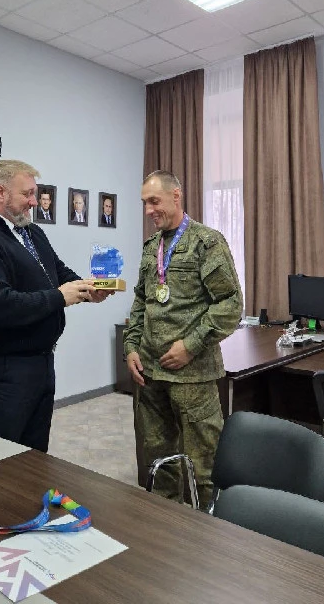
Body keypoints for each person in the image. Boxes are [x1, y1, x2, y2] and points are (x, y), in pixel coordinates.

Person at [0, 159, 113, 452]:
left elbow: (57, 271)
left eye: (34, 194)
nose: (34, 202)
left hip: (41, 364)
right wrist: (59, 297)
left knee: (35, 454)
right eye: (27, 194)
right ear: (0, 193)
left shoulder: (30, 231)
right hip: (6, 371)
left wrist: (88, 289)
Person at [123, 170, 242, 508]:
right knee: (158, 463)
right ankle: (164, 524)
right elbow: (142, 301)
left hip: (193, 377)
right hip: (150, 375)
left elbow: (231, 304)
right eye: (145, 203)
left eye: (154, 201)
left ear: (176, 196)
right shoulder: (151, 247)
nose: (149, 210)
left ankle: (210, 529)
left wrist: (190, 346)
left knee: (204, 465)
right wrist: (131, 346)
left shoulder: (206, 242)